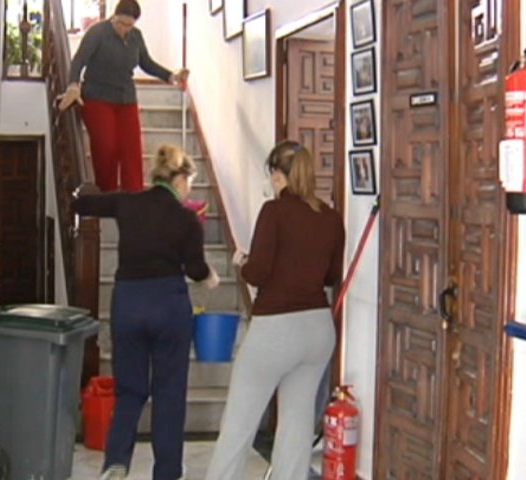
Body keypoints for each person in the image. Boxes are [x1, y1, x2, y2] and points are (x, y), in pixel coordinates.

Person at [73, 144, 219, 480]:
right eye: (190, 183)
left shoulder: (129, 202)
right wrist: (210, 277)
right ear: (180, 179)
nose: (189, 191)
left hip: (128, 303)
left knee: (130, 391)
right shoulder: (187, 219)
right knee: (169, 392)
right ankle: (166, 472)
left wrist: (79, 191)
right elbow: (195, 268)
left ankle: (115, 463)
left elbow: (83, 202)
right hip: (168, 305)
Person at [205, 141, 345, 480]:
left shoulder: (274, 211)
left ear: (277, 175)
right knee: (296, 424)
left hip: (276, 331)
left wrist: (243, 262)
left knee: (239, 425)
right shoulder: (330, 217)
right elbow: (331, 275)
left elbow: (259, 272)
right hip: (317, 330)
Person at [59, 0, 190, 193]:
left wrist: (171, 76)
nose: (124, 29)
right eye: (121, 23)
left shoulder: (136, 36)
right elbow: (79, 60)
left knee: (132, 152)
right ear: (114, 17)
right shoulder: (98, 32)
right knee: (107, 147)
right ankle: (107, 194)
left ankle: (134, 197)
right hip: (97, 98)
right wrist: (73, 85)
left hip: (126, 99)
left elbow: (146, 63)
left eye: (129, 25)